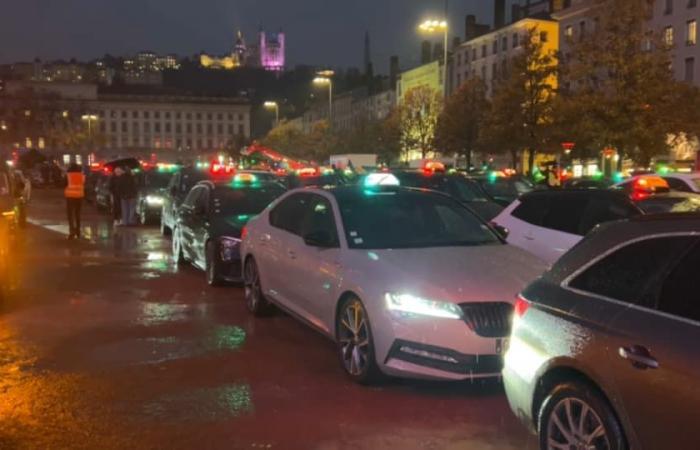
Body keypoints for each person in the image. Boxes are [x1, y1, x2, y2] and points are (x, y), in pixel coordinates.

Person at [64, 163, 85, 239]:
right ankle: (78, 231)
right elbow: (83, 184)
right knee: (77, 214)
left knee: (70, 215)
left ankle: (71, 232)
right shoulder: (82, 175)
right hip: (79, 196)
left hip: (70, 196)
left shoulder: (68, 175)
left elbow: (64, 183)